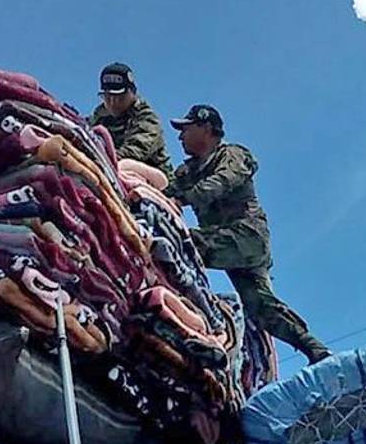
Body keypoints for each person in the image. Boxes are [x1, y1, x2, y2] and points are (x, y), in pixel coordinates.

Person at [167, 104, 331, 364]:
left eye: (185, 129)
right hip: (227, 242)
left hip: (246, 237)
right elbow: (165, 189)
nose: (180, 136)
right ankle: (317, 351)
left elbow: (222, 182)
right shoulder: (188, 172)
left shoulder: (232, 155)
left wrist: (183, 199)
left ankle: (175, 311)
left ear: (206, 128)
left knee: (181, 243)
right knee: (260, 307)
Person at [87, 62, 172, 176]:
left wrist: (100, 157)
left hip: (152, 182)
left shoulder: (147, 118)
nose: (113, 102)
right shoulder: (100, 115)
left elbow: (134, 151)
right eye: (107, 96)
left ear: (132, 92)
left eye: (119, 97)